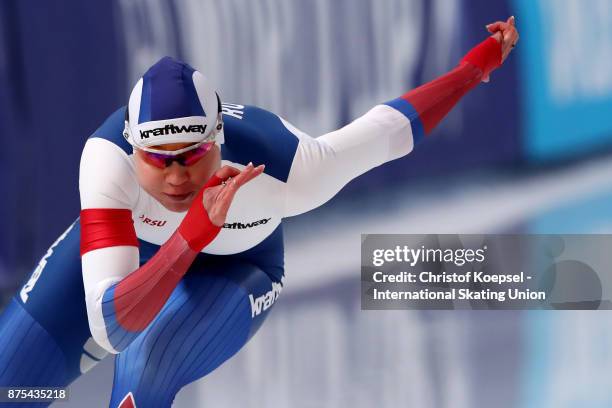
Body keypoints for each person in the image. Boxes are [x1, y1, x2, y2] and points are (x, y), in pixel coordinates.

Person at [0, 17, 519, 408]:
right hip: (147, 255)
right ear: (132, 149)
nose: (178, 176)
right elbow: (111, 324)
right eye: (159, 160)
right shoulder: (105, 163)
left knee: (145, 368)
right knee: (12, 385)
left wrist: (475, 68)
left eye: (194, 155)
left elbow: (389, 132)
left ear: (219, 139)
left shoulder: (286, 167)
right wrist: (192, 234)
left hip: (237, 270)